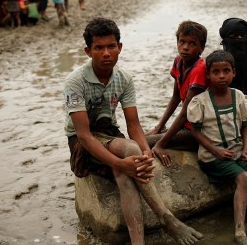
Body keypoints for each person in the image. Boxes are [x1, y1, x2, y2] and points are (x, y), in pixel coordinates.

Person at [63, 18, 203, 245]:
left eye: (111, 46)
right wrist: (118, 162)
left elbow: (134, 126)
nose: (106, 53)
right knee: (129, 151)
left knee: (128, 171)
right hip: (82, 142)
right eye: (99, 48)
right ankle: (166, 217)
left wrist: (146, 152)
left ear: (120, 47)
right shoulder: (75, 82)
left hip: (109, 133)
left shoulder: (123, 78)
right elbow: (84, 135)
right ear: (88, 51)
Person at [187, 50, 247, 245]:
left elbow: (246, 126)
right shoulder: (201, 102)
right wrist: (216, 151)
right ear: (208, 75)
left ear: (234, 72)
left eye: (226, 71)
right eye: (216, 72)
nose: (221, 76)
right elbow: (195, 132)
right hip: (213, 157)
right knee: (244, 177)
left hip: (236, 151)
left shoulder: (238, 96)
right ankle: (240, 231)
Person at [148, 21, 208, 167]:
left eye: (192, 44)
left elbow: (185, 113)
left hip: (197, 132)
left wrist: (161, 144)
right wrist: (159, 126)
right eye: (182, 42)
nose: (185, 47)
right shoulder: (179, 61)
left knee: (144, 142)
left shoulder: (199, 70)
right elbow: (175, 98)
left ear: (201, 48)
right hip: (185, 126)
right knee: (145, 136)